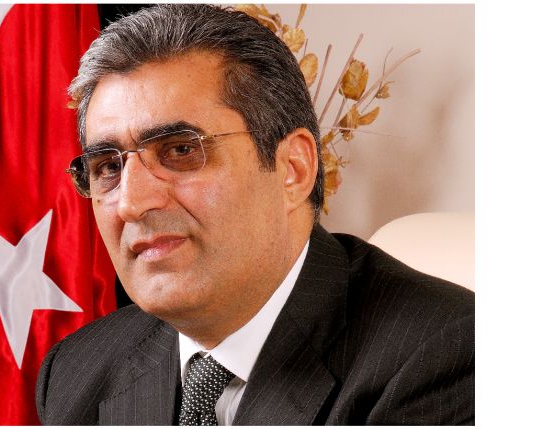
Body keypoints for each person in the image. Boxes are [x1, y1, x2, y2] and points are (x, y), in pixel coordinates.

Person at [35, 4, 474, 425]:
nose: (132, 203)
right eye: (108, 167)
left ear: (293, 169)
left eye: (181, 150)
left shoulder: (449, 357)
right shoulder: (77, 371)